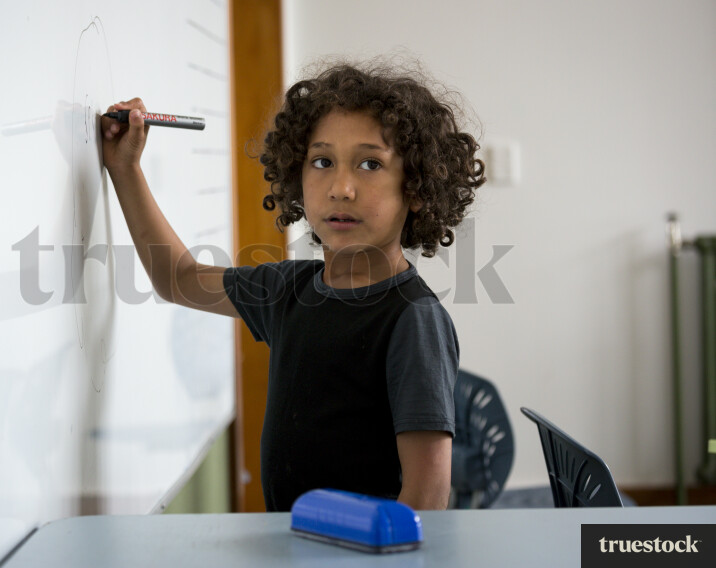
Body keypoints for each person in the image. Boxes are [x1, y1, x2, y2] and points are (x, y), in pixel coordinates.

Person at [100, 61, 485, 511]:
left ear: (416, 187)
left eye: (370, 164)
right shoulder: (289, 288)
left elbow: (427, 499)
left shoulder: (414, 320)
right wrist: (125, 170)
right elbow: (177, 280)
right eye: (322, 161)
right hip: (293, 546)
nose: (341, 187)